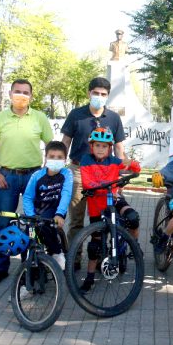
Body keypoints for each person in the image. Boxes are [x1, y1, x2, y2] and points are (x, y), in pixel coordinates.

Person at [0, 79, 53, 285]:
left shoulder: (39, 118)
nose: (21, 95)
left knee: (33, 222)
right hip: (7, 177)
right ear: (10, 93)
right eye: (17, 91)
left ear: (31, 96)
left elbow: (51, 145)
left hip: (34, 176)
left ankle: (30, 265)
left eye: (25, 92)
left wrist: (47, 172)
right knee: (5, 222)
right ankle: (1, 267)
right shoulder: (0, 118)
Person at [61, 77, 126, 247]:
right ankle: (74, 259)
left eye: (103, 94)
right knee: (76, 218)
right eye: (96, 93)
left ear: (107, 96)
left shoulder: (113, 118)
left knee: (103, 216)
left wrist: (121, 173)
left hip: (105, 172)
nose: (99, 96)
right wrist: (59, 166)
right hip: (78, 170)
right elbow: (65, 142)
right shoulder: (76, 114)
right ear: (89, 93)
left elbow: (119, 148)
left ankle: (100, 256)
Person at [77, 127, 141, 291]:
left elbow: (136, 170)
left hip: (113, 198)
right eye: (97, 145)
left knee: (133, 217)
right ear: (92, 147)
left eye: (104, 146)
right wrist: (102, 186)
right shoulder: (86, 159)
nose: (100, 149)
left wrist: (131, 163)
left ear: (110, 148)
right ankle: (90, 277)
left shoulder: (114, 161)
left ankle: (134, 245)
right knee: (95, 244)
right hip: (96, 205)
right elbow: (87, 183)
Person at [22, 141, 73, 270]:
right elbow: (27, 197)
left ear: (65, 159)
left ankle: (57, 252)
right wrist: (30, 215)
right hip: (36, 212)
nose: (55, 160)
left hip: (55, 211)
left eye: (59, 157)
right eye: (51, 156)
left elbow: (66, 194)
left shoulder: (66, 174)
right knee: (28, 236)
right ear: (45, 158)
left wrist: (60, 213)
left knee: (46, 226)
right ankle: (25, 275)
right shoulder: (37, 175)